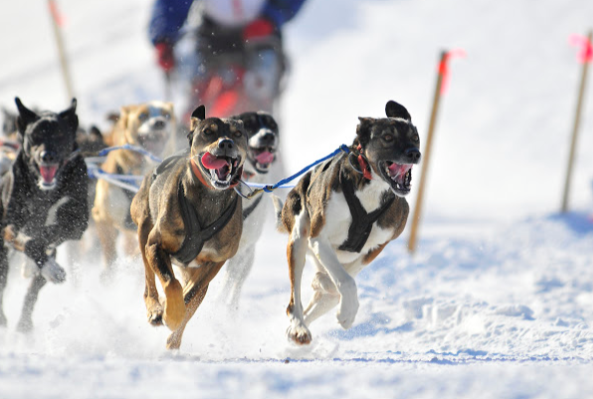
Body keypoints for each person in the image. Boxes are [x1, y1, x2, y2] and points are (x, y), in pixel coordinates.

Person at [148, 0, 307, 120]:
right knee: (193, 91)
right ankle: (187, 144)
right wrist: (164, 38)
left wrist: (272, 16)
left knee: (261, 95)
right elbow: (171, 3)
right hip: (211, 33)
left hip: (262, 33)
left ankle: (265, 151)